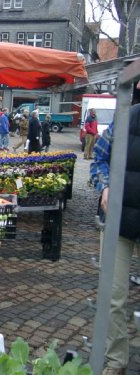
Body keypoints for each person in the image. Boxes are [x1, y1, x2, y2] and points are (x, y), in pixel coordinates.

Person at [90, 103, 140, 375]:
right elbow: (99, 158)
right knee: (113, 295)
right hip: (118, 221)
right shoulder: (125, 120)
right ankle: (116, 360)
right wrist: (104, 185)